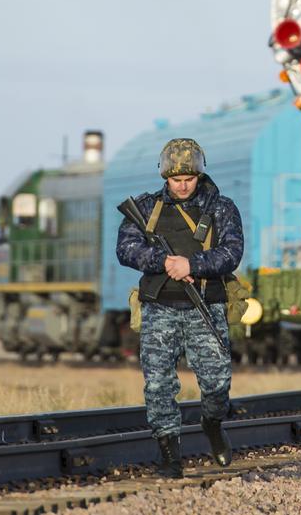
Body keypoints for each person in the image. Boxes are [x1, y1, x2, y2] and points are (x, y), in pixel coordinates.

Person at [116, 138, 243, 478]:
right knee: (158, 385)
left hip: (206, 306)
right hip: (160, 308)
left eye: (189, 178)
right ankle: (170, 456)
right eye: (176, 179)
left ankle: (212, 423)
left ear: (199, 175)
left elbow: (232, 252)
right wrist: (160, 260)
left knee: (217, 384)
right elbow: (126, 249)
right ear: (165, 177)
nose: (183, 185)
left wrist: (192, 264)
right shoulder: (146, 208)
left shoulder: (222, 208)